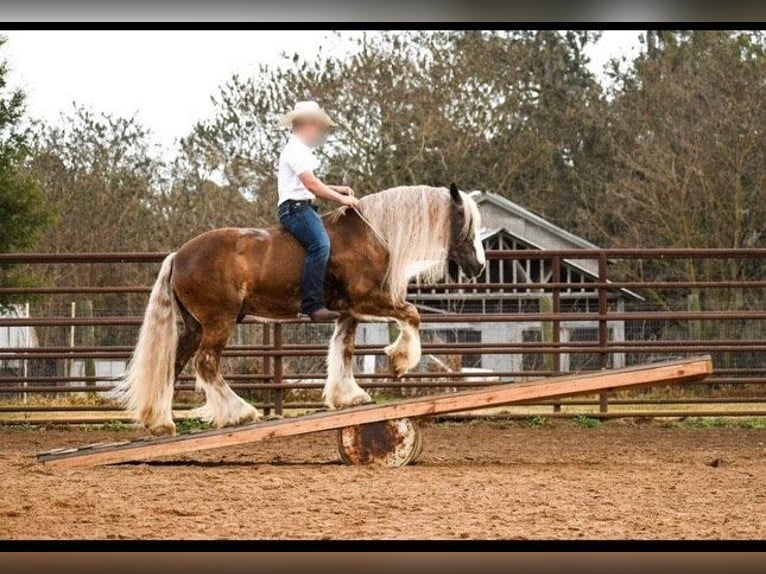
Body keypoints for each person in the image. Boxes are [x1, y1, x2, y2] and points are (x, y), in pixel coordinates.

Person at [277, 100, 360, 322]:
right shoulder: (296, 150)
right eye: (317, 125)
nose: (319, 131)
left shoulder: (298, 149)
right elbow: (312, 186)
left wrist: (336, 189)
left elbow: (309, 183)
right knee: (320, 245)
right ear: (306, 124)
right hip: (296, 209)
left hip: (302, 206)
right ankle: (312, 305)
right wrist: (342, 199)